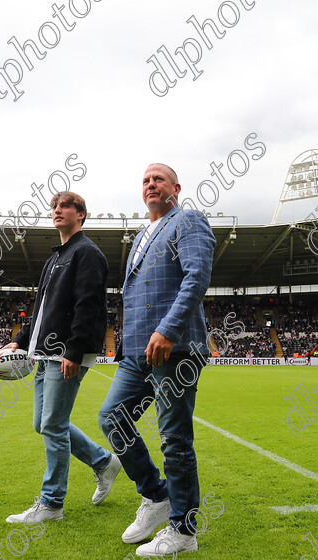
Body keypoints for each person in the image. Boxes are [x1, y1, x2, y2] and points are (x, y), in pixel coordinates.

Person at [97, 163, 215, 556]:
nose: (150, 184)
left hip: (174, 347)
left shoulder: (189, 221)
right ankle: (156, 495)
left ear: (175, 188)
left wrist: (168, 329)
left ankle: (183, 530)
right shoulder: (139, 237)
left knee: (174, 439)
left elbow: (196, 277)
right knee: (112, 418)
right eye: (145, 180)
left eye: (158, 179)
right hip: (135, 351)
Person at [4, 191, 122, 524]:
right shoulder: (56, 256)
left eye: (65, 206)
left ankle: (52, 504)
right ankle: (103, 462)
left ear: (81, 214)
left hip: (66, 353)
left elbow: (89, 305)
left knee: (52, 426)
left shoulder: (86, 253)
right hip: (45, 353)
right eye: (54, 207)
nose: (57, 210)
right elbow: (42, 310)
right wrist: (20, 341)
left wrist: (73, 348)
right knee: (43, 424)